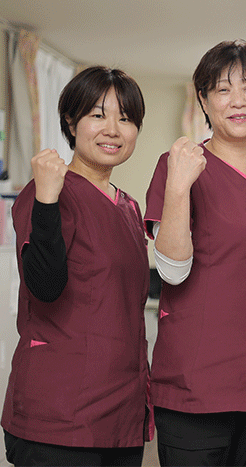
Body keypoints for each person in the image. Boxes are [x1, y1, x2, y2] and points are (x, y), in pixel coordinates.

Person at [144, 40, 246, 466]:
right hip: (195, 386)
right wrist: (179, 186)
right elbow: (172, 270)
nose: (238, 101)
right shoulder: (178, 164)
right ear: (202, 99)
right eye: (222, 89)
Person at [2, 66, 150, 466]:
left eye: (125, 118)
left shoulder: (129, 207)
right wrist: (48, 199)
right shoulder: (47, 192)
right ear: (71, 122)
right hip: (58, 413)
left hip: (121, 412)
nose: (113, 130)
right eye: (98, 115)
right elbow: (45, 286)